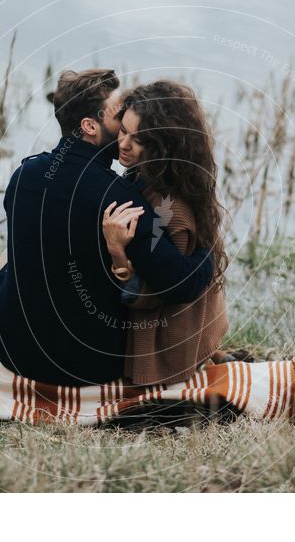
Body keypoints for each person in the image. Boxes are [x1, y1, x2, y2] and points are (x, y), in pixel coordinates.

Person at [0, 69, 215, 386]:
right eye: (118, 115)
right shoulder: (120, 201)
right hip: (84, 365)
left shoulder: (24, 174)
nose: (123, 123)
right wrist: (208, 248)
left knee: (10, 260)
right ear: (90, 126)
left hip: (10, 348)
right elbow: (182, 284)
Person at [101, 80, 232, 386]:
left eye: (140, 139)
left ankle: (201, 359)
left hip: (167, 346)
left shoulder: (169, 209)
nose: (124, 144)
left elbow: (160, 292)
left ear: (164, 145)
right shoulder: (156, 180)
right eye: (123, 130)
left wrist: (117, 251)